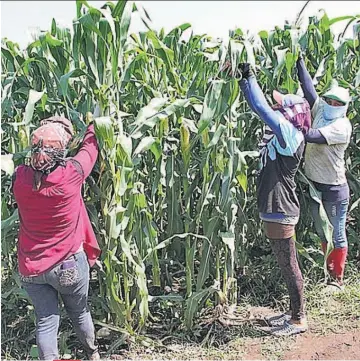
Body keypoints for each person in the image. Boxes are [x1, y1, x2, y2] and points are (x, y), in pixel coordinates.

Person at [222, 62, 311, 336]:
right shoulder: (285, 135)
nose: (276, 110)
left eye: (281, 107)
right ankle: (292, 312)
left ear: (291, 115)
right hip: (275, 208)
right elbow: (258, 106)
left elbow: (261, 108)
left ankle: (298, 319)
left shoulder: (291, 135)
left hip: (281, 209)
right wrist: (242, 80)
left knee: (289, 265)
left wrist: (249, 75)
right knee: (286, 264)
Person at [12, 116, 101, 360]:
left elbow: (34, 171)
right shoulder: (71, 174)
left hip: (31, 270)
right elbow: (90, 149)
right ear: (60, 152)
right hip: (67, 267)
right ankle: (92, 355)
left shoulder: (20, 178)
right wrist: (94, 123)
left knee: (46, 320)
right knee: (79, 313)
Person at [296, 54, 352, 290]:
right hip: (314, 185)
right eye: (330, 99)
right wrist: (297, 59)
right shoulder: (321, 109)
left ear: (345, 106)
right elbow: (309, 89)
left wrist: (287, 122)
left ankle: (336, 280)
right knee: (322, 231)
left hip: (333, 189)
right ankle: (327, 273)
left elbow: (312, 137)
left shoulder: (341, 126)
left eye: (338, 103)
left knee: (336, 233)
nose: (332, 104)